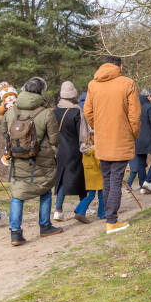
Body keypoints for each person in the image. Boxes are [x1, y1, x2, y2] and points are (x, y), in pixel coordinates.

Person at [83, 56, 141, 235]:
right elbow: (135, 115)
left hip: (102, 138)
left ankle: (109, 216)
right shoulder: (127, 83)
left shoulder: (93, 84)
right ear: (120, 66)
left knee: (107, 179)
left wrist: (98, 127)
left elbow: (88, 112)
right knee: (115, 179)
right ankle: (111, 221)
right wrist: (132, 134)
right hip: (121, 137)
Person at [2, 77, 63, 245]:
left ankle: (15, 232)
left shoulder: (11, 111)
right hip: (41, 160)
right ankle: (45, 226)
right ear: (41, 92)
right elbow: (54, 138)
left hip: (17, 159)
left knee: (17, 194)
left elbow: (3, 131)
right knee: (44, 190)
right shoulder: (46, 113)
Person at [52, 81, 87, 222]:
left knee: (61, 180)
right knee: (80, 178)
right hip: (74, 149)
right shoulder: (76, 110)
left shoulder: (53, 111)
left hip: (59, 150)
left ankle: (58, 210)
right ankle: (83, 207)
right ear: (73, 94)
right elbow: (82, 133)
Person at [127, 88, 151, 194]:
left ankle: (142, 187)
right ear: (148, 96)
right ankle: (147, 181)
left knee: (140, 163)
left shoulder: (132, 107)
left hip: (136, 139)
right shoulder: (149, 106)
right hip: (150, 139)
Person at [76, 91, 106, 222]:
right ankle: (97, 212)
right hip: (98, 174)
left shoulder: (85, 149)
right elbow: (100, 163)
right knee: (100, 194)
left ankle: (80, 210)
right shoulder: (95, 150)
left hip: (89, 175)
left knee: (92, 194)